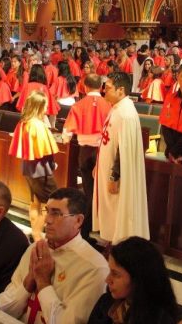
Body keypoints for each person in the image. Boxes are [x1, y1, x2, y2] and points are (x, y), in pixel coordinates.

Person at [0, 188, 109, 324]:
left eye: (56, 214)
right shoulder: (35, 249)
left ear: (78, 221)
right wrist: (28, 282)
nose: (47, 220)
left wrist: (43, 282)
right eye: (47, 211)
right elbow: (4, 308)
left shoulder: (94, 268)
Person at [94, 72, 149, 245]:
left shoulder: (126, 114)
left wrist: (114, 176)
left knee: (118, 210)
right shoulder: (116, 108)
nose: (104, 91)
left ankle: (118, 245)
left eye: (108, 88)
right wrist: (98, 165)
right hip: (106, 167)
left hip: (117, 175)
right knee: (110, 210)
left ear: (121, 90)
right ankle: (111, 243)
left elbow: (122, 150)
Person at [62, 74, 111, 240]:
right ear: (101, 87)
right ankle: (99, 227)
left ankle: (85, 229)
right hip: (102, 151)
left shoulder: (78, 105)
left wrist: (66, 139)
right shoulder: (108, 105)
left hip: (85, 152)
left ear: (85, 87)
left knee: (88, 191)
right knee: (101, 192)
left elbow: (67, 132)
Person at [88, 237, 179, 324]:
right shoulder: (106, 303)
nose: (107, 280)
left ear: (138, 279)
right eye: (110, 271)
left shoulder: (159, 320)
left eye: (115, 274)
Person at [10, 91, 58, 242]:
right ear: (39, 107)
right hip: (41, 170)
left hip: (28, 168)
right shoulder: (37, 125)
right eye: (45, 106)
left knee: (35, 202)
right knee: (48, 204)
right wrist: (52, 164)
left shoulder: (24, 122)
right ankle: (37, 237)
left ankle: (35, 235)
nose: (47, 109)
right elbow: (43, 151)